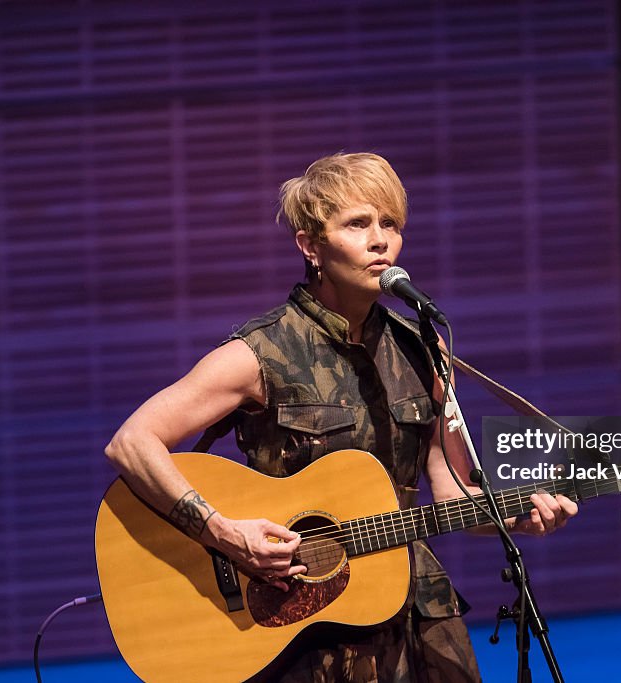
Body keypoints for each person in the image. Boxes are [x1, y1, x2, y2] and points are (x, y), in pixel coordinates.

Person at [104, 152, 578, 682]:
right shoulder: (259, 353)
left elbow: (451, 492)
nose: (381, 240)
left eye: (390, 224)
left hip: (413, 609)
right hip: (301, 618)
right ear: (311, 246)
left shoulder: (424, 350)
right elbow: (132, 441)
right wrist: (225, 533)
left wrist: (516, 520)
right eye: (358, 224)